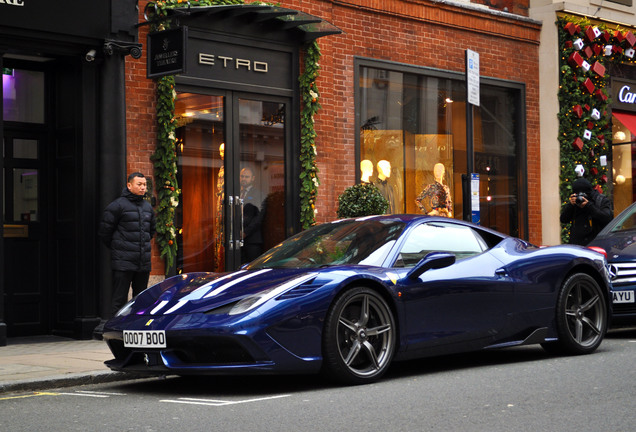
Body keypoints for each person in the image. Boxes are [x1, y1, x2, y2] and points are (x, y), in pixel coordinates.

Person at [98, 172, 156, 320]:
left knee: (141, 298)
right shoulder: (117, 205)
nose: (143, 188)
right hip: (123, 262)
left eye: (145, 185)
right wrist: (120, 248)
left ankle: (137, 327)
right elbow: (105, 232)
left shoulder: (148, 207)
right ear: (129, 185)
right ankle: (116, 328)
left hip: (143, 262)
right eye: (139, 184)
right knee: (119, 299)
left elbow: (152, 231)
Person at [560, 177, 612, 245]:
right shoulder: (575, 203)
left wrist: (588, 206)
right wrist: (570, 205)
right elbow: (563, 219)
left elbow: (607, 218)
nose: (581, 197)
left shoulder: (600, 200)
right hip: (577, 245)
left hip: (596, 244)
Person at [240, 166, 263, 263]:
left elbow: (259, 217)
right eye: (242, 176)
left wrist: (245, 232)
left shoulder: (258, 194)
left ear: (253, 178)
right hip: (238, 240)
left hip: (252, 241)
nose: (244, 179)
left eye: (247, 177)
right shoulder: (236, 193)